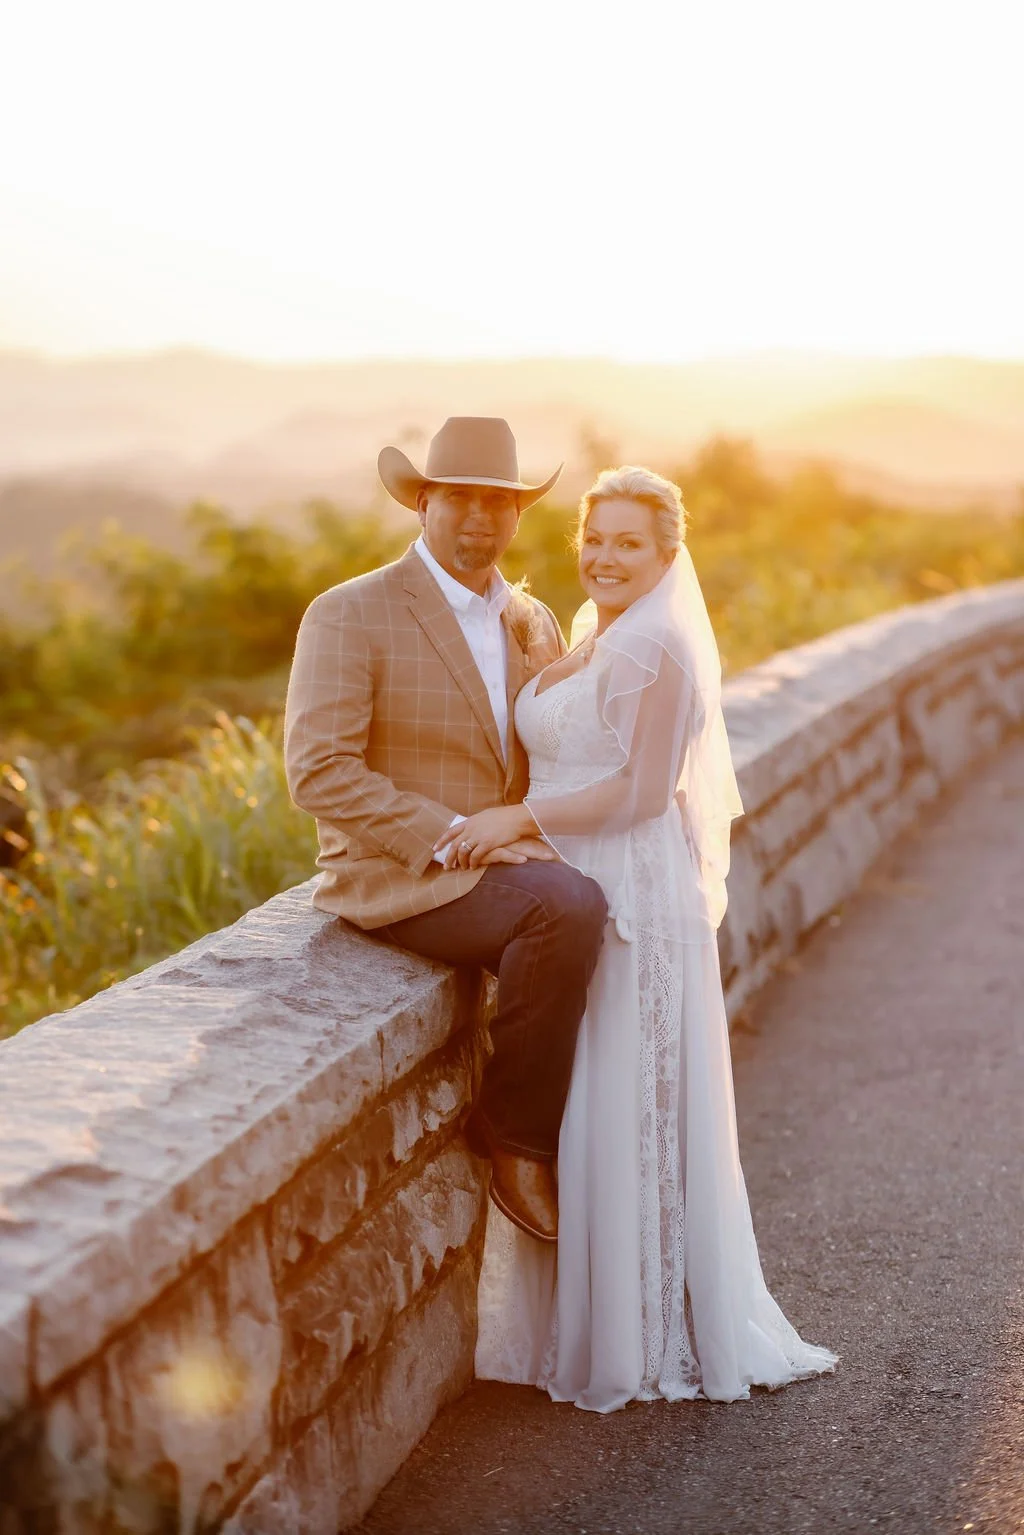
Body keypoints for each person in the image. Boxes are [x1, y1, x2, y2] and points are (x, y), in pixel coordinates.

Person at [441, 465, 838, 1411]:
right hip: (577, 883)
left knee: (632, 1100)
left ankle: (648, 1330)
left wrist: (513, 820)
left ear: (668, 553)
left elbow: (641, 793)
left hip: (630, 896)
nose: (606, 557)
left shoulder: (658, 646)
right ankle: (586, 1319)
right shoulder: (594, 629)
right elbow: (576, 732)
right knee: (591, 1098)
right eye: (594, 538)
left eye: (628, 542)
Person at [284, 417, 608, 1247]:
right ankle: (516, 1138)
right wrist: (467, 833)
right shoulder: (349, 613)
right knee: (565, 908)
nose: (481, 518)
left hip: (509, 861)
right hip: (400, 873)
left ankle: (614, 1154)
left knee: (631, 905)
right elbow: (319, 771)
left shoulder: (528, 617)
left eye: (500, 501)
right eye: (460, 498)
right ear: (421, 502)